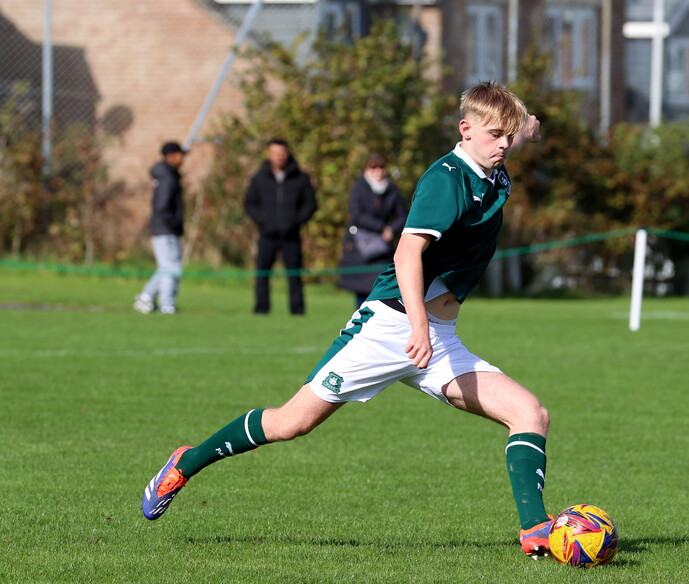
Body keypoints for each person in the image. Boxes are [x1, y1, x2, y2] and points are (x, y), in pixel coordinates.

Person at [141, 82, 554, 559]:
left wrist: (528, 129)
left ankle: (536, 532)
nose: (503, 144)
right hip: (391, 328)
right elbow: (406, 253)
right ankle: (185, 462)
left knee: (530, 413)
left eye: (509, 136)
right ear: (465, 130)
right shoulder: (448, 179)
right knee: (290, 423)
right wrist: (418, 326)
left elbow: (517, 132)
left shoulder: (494, 163)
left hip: (438, 339)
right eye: (494, 134)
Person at [243, 138, 318, 315]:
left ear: (288, 154)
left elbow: (310, 204)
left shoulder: (301, 178)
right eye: (275, 153)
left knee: (294, 275)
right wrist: (262, 221)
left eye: (282, 153)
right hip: (267, 234)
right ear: (269, 155)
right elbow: (249, 203)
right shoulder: (259, 178)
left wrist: (296, 221)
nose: (279, 157)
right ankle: (261, 309)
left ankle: (297, 310)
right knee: (262, 273)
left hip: (291, 236)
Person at [338, 153, 408, 309]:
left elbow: (402, 215)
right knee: (361, 290)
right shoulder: (359, 187)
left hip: (383, 247)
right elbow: (356, 215)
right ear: (367, 168)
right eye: (374, 167)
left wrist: (391, 230)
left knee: (382, 287)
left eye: (381, 167)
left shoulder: (391, 189)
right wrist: (381, 228)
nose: (378, 171)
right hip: (360, 245)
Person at [133, 141, 186, 315]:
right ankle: (166, 304)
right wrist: (173, 223)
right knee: (171, 268)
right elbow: (162, 206)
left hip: (167, 228)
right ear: (170, 156)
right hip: (165, 228)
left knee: (168, 267)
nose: (183, 158)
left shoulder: (170, 175)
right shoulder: (168, 178)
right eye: (179, 155)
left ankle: (147, 297)